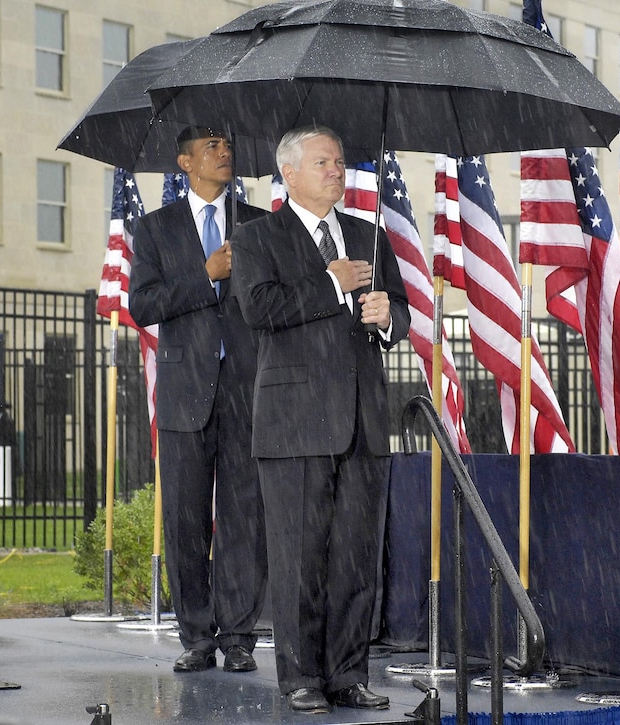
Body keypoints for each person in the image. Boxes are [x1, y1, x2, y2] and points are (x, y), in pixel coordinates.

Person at [230, 126, 410, 714]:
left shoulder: (368, 235)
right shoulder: (258, 238)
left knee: (355, 557)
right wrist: (330, 284)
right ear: (289, 173)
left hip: (362, 421)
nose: (337, 169)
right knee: (300, 558)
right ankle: (301, 676)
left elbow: (401, 312)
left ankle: (348, 673)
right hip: (295, 424)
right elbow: (261, 309)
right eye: (324, 161)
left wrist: (388, 318)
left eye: (339, 160)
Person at [128, 126, 269, 675]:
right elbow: (143, 304)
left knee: (243, 520)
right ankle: (196, 636)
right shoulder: (155, 229)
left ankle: (238, 638)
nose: (225, 152)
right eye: (212, 147)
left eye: (229, 144)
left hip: (246, 392)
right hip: (186, 394)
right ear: (185, 161)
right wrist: (205, 276)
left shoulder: (258, 224)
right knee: (185, 520)